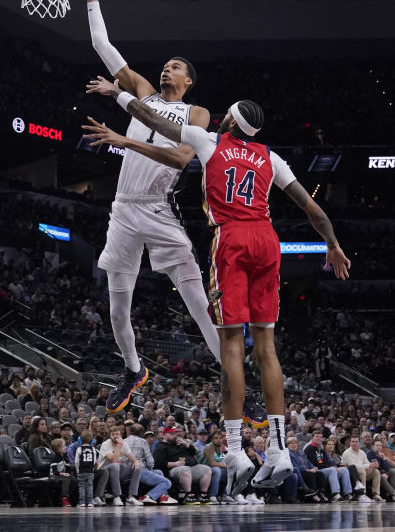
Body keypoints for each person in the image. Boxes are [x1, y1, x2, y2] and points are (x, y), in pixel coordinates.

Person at [85, 89, 351, 498]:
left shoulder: (207, 139)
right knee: (267, 348)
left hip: (232, 240)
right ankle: (279, 450)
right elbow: (312, 210)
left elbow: (147, 116)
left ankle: (235, 452)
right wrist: (332, 244)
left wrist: (117, 94)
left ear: (228, 122)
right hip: (267, 240)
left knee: (230, 345)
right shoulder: (269, 156)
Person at [74, 0, 274, 427]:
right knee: (116, 307)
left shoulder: (196, 112)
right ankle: (132, 369)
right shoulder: (142, 90)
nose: (167, 67)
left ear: (188, 81)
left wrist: (126, 140)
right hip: (122, 210)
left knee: (203, 306)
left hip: (160, 211)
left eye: (177, 66)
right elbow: (103, 48)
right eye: (166, 63)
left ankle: (241, 389)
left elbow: (184, 157)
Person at [152, 427, 211, 504]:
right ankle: (189, 495)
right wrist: (175, 464)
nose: (175, 435)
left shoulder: (179, 443)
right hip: (174, 469)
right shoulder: (161, 447)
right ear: (165, 435)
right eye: (172, 434)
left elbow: (193, 452)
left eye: (175, 433)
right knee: (185, 470)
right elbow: (158, 463)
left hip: (191, 465)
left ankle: (204, 494)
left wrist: (186, 444)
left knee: (207, 469)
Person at [123, 423, 176, 505]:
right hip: (139, 471)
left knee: (159, 472)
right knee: (167, 483)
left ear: (130, 431)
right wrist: (150, 470)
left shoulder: (124, 441)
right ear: (141, 433)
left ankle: (164, 497)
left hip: (126, 471)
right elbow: (150, 461)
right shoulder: (143, 441)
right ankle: (148, 496)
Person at [96, 426, 143, 506]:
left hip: (117, 470)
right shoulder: (106, 444)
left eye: (117, 434)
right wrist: (119, 445)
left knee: (138, 466)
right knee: (115, 465)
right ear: (110, 436)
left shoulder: (124, 443)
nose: (115, 436)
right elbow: (113, 460)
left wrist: (136, 461)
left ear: (121, 435)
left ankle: (131, 497)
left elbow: (130, 455)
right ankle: (116, 496)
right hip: (104, 471)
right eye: (113, 434)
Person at [342, 437, 381, 502]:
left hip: (362, 470)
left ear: (359, 443)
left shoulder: (362, 452)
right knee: (362, 471)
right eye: (352, 441)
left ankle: (376, 494)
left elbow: (367, 462)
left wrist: (373, 465)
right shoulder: (347, 453)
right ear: (350, 443)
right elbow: (353, 466)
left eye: (356, 441)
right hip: (352, 473)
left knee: (376, 471)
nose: (354, 443)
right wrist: (368, 465)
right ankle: (362, 494)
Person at [199, 429, 228, 504]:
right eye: (216, 438)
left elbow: (222, 460)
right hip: (203, 468)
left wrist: (228, 467)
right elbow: (212, 463)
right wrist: (227, 466)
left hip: (214, 468)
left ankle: (224, 495)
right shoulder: (209, 446)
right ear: (212, 439)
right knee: (217, 470)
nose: (218, 440)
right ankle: (212, 495)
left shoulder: (221, 447)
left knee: (229, 472)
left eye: (220, 438)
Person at [74, 430, 98, 507]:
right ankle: (90, 502)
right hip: (90, 471)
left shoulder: (79, 449)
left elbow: (77, 462)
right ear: (91, 440)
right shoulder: (93, 449)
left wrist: (78, 471)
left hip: (81, 471)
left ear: (80, 439)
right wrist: (92, 470)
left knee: (81, 486)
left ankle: (82, 502)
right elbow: (95, 461)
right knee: (90, 486)